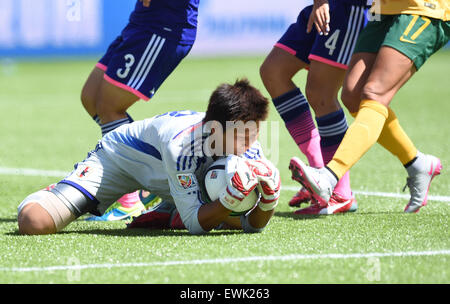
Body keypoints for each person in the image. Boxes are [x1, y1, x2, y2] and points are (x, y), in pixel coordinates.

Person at [17, 79, 281, 235]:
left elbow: (251, 225)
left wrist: (268, 201)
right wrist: (227, 201)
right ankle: (58, 190)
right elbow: (195, 225)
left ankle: (170, 205)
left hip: (171, 174)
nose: (251, 145)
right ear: (214, 129)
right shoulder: (181, 146)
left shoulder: (248, 147)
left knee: (224, 208)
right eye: (243, 136)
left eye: (254, 134)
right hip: (118, 160)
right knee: (35, 222)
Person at [288, 0, 448, 213]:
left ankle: (328, 177)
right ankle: (417, 163)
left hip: (422, 9)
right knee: (353, 95)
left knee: (375, 93)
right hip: (382, 9)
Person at [79, 0, 200, 220]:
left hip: (163, 27)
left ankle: (131, 199)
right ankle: (155, 178)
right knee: (91, 96)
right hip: (141, 23)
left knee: (109, 107)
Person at [259, 0, 371, 214]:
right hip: (324, 5)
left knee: (321, 94)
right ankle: (319, 174)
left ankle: (340, 192)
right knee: (274, 71)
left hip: (348, 7)